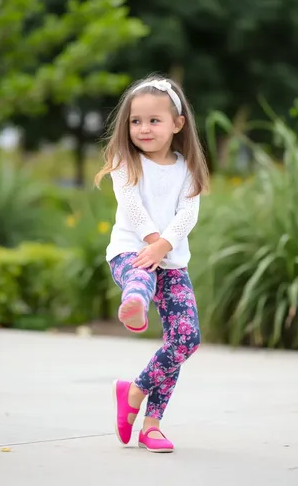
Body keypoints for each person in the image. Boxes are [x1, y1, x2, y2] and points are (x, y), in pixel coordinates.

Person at [94, 75, 209, 453]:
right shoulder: (125, 163)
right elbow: (132, 208)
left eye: (154, 120)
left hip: (172, 261)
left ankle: (144, 407)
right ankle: (136, 305)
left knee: (185, 338)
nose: (143, 128)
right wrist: (152, 245)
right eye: (135, 121)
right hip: (131, 252)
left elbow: (188, 213)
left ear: (178, 124)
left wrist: (165, 246)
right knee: (140, 277)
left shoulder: (186, 167)